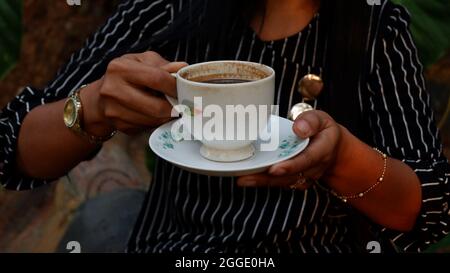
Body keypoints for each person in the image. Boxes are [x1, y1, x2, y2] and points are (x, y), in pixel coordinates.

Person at [1, 0, 449, 253]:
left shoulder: (375, 29)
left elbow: (425, 207)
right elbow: (15, 147)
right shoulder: (168, 10)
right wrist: (94, 106)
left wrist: (342, 159)